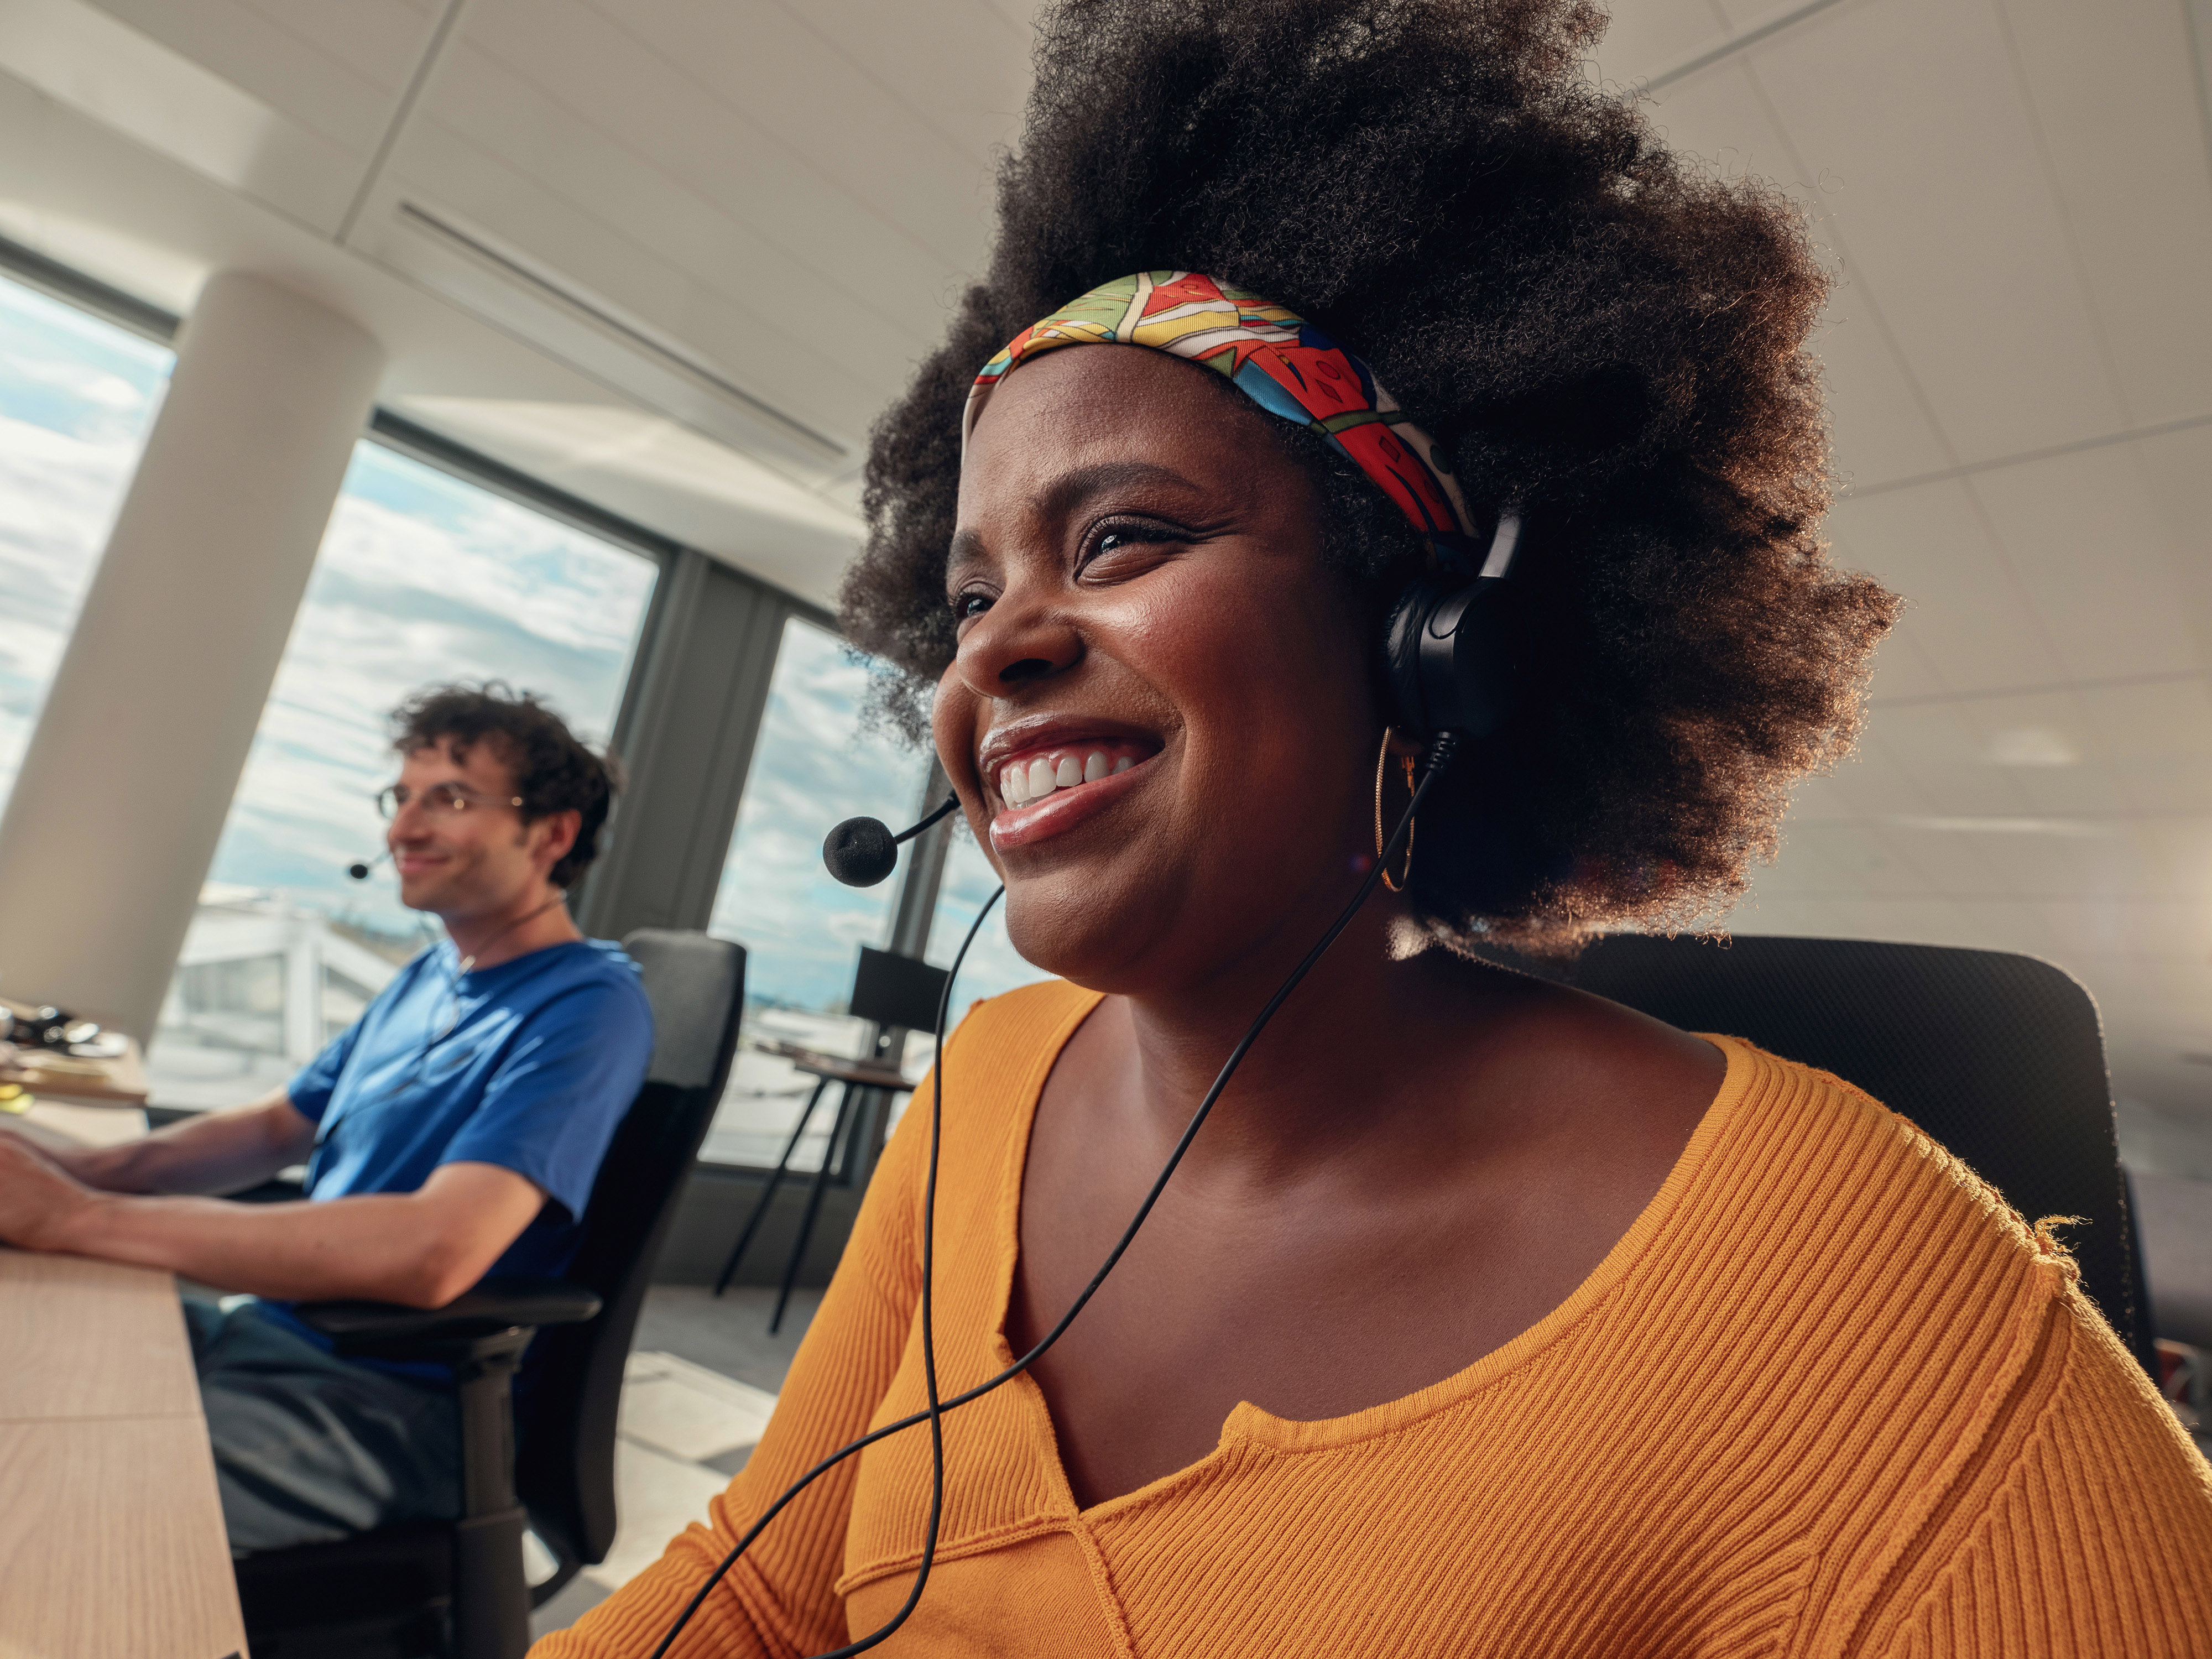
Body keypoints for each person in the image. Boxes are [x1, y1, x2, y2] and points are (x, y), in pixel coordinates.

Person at [546, 2, 2212, 1654]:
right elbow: (767, 1588)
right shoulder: (981, 1090)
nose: (993, 645)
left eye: (1121, 537)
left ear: (1435, 636)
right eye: (972, 591)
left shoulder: (1854, 1282)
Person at [0, 683, 654, 1554]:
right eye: (403, 798)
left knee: (30, 1509)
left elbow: (437, 1251)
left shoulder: (589, 1006)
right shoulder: (431, 977)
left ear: (553, 833)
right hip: (265, 1335)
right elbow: (276, 1128)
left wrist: (78, 1218)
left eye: (450, 798)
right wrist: (69, 1165)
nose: (403, 829)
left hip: (384, 1407)